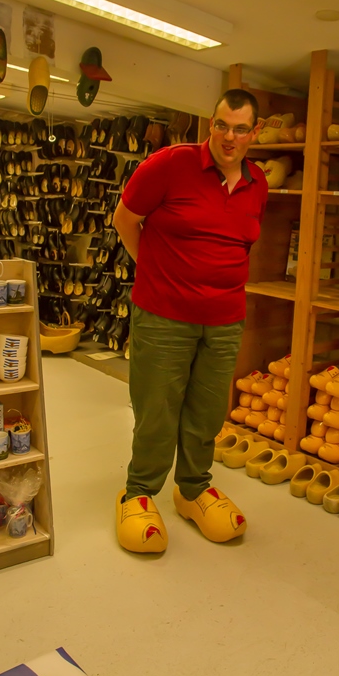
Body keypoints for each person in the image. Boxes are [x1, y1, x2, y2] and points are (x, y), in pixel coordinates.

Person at [113, 89, 268, 554]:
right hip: (164, 315)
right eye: (222, 125)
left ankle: (194, 487)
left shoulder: (258, 183)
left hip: (224, 320)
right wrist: (154, 273)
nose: (229, 137)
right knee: (157, 409)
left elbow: (242, 245)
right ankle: (139, 490)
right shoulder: (168, 164)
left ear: (254, 133)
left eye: (240, 129)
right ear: (210, 124)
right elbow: (124, 221)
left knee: (207, 411)